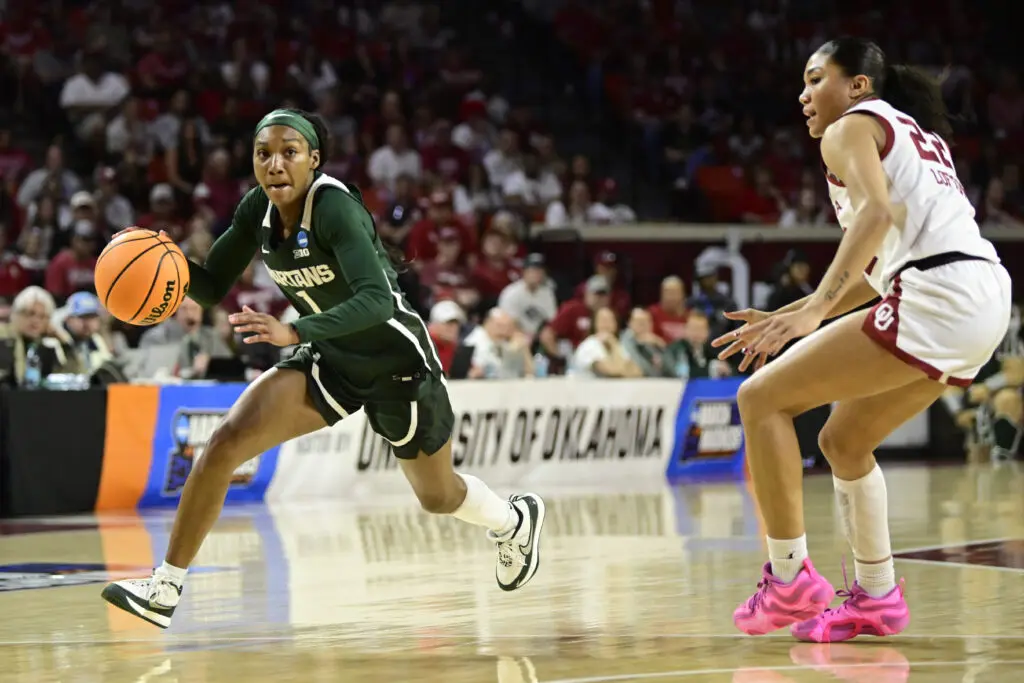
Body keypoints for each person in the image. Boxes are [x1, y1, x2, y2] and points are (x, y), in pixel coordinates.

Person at [101, 109, 546, 629]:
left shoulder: (334, 207)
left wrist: (294, 332)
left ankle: (514, 520)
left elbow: (378, 300)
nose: (275, 164)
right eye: (263, 153)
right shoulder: (256, 210)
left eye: (289, 152)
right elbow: (212, 284)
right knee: (224, 444)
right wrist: (166, 262)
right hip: (330, 357)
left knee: (438, 496)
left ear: (313, 160)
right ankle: (164, 588)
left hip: (396, 365)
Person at [711, 38, 1011, 643]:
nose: (803, 95)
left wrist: (815, 309)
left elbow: (874, 215)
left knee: (760, 399)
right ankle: (877, 598)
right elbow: (873, 266)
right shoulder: (909, 136)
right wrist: (794, 314)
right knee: (844, 441)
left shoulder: (848, 128)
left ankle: (789, 579)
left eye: (815, 78)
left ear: (856, 86)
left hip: (939, 292)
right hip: (982, 295)